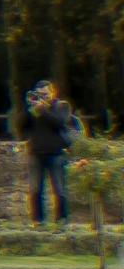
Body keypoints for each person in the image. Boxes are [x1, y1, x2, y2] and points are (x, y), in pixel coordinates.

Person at [23, 85, 85, 226]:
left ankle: (61, 220)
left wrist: (43, 110)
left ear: (52, 92)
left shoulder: (61, 106)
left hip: (56, 153)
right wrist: (27, 109)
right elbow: (21, 125)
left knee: (59, 189)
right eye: (39, 94)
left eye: (45, 94)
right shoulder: (34, 109)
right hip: (36, 153)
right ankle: (38, 221)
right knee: (35, 189)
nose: (42, 97)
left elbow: (59, 123)